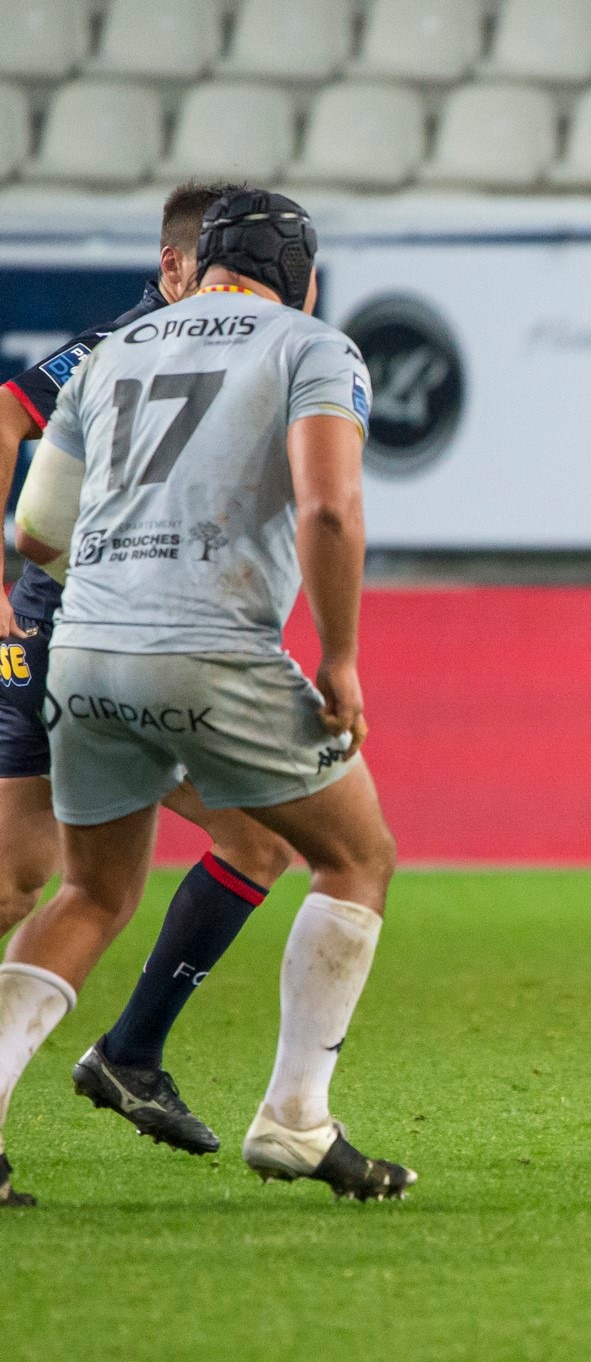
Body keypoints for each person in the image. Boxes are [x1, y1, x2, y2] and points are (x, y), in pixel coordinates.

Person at [0, 188, 412, 1207]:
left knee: (87, 893)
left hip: (82, 650)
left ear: (194, 261)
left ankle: (113, 1058)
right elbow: (327, 505)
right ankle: (296, 1121)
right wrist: (344, 658)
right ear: (300, 277)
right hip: (208, 650)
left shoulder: (111, 352)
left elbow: (38, 532)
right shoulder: (313, 346)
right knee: (356, 856)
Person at [0, 181, 295, 1159]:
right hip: (77, 637)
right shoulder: (121, 345)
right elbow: (7, 425)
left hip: (114, 640)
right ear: (172, 268)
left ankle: (132, 1050)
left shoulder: (206, 349)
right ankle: (131, 1052)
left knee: (71, 879)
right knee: (36, 881)